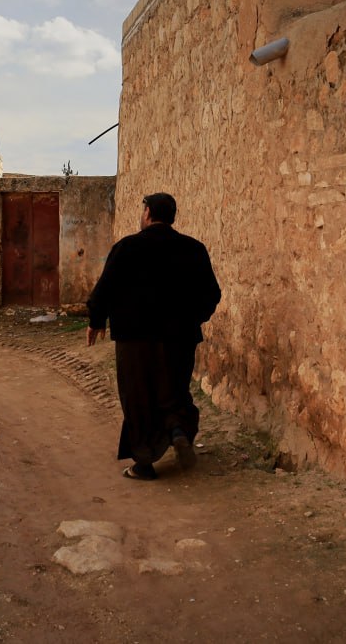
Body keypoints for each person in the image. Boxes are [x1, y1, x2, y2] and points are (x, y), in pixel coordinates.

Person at [85, 192, 221, 480]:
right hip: (180, 338)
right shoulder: (193, 249)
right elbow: (212, 294)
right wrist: (192, 319)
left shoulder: (128, 247)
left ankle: (144, 463)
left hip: (135, 340)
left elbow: (105, 288)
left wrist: (96, 320)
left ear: (148, 213)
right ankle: (177, 429)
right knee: (173, 390)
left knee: (138, 397)